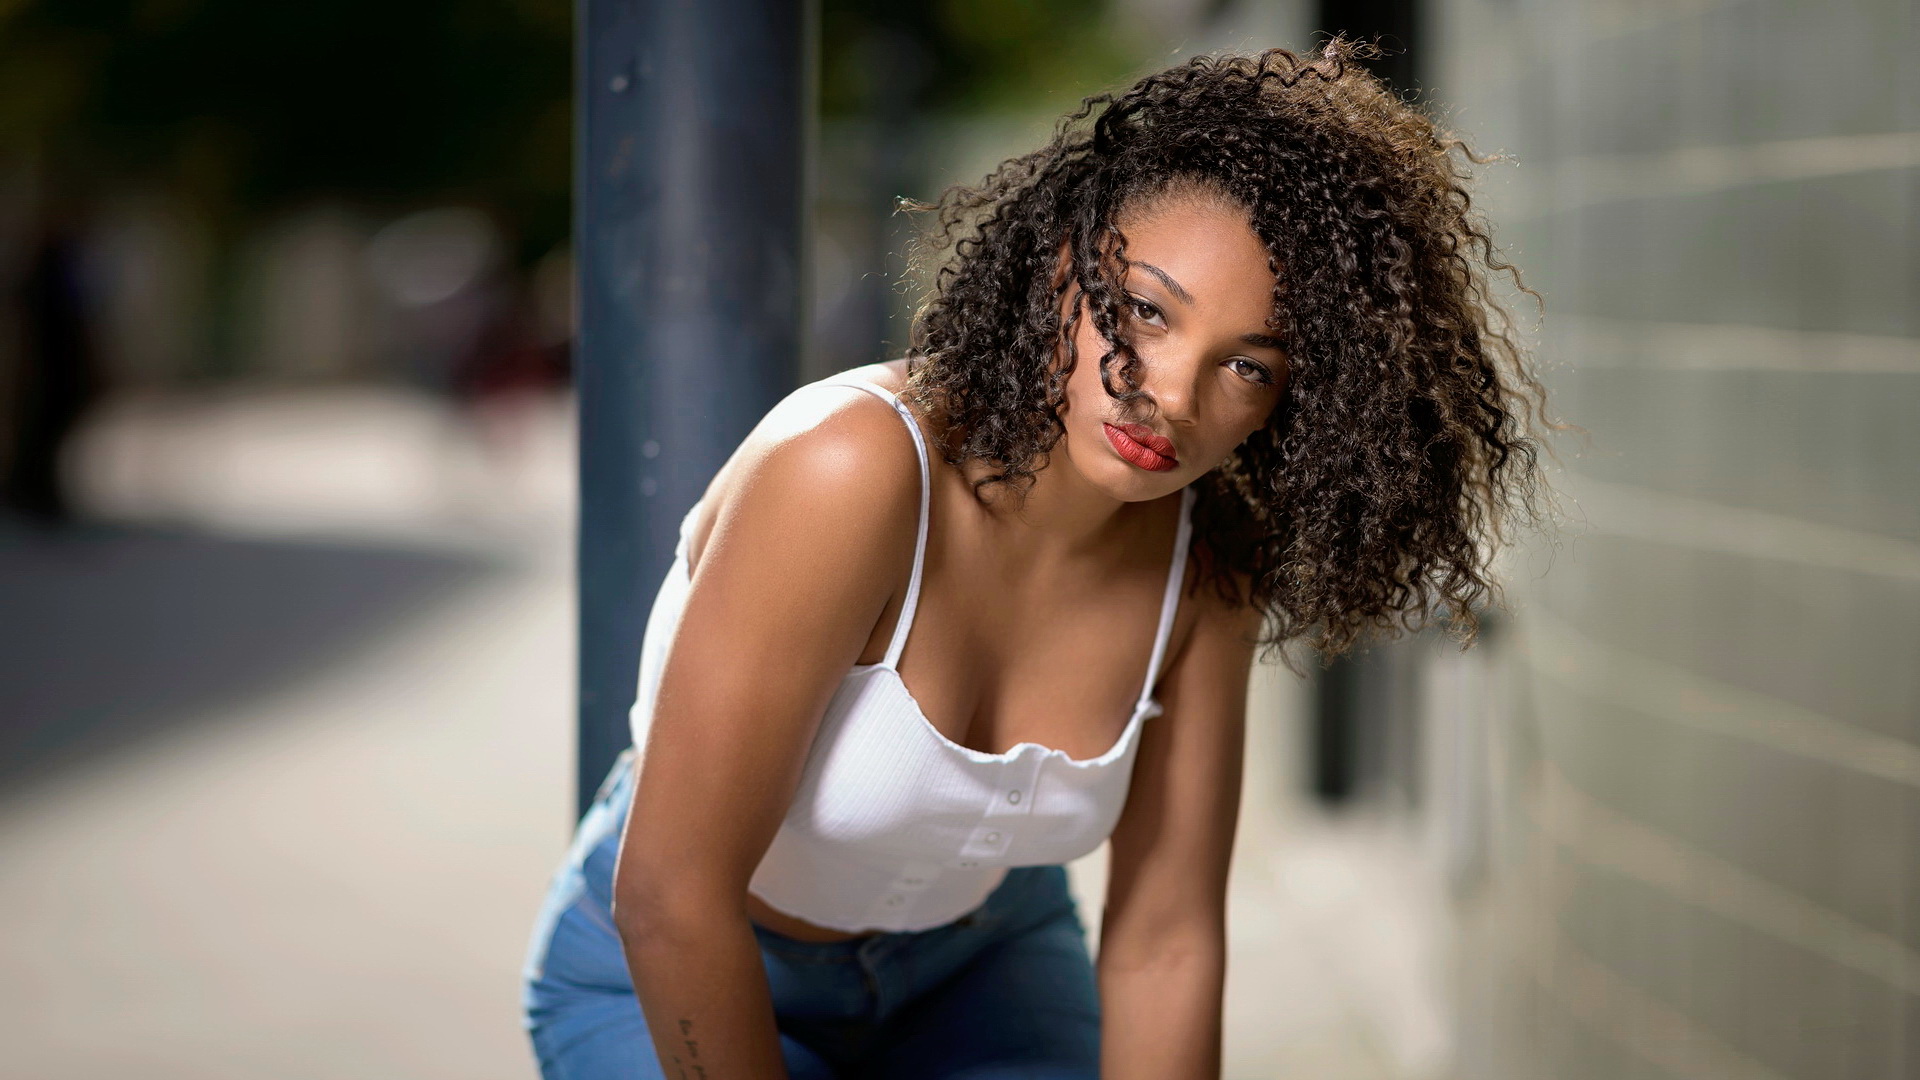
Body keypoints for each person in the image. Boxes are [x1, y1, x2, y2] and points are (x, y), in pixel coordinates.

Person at [521, 40, 1550, 1080]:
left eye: (1246, 365)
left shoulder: (1211, 568)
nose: (1174, 397)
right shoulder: (852, 469)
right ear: (1063, 261)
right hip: (684, 954)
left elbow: (1167, 941)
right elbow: (672, 894)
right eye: (1146, 311)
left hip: (986, 962)